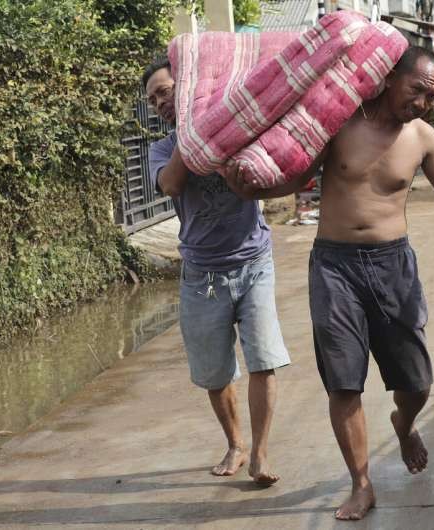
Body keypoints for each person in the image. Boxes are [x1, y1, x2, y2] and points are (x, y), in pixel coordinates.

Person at [227, 46, 434, 521]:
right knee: (343, 382)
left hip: (393, 265)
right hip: (334, 266)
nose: (420, 103)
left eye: (428, 98)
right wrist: (253, 188)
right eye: (415, 91)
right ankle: (362, 483)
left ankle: (404, 422)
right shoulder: (338, 122)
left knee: (416, 382)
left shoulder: (423, 138)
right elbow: (299, 177)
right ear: (390, 78)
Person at [143, 58, 291, 487]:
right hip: (202, 275)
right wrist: (196, 136)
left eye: (165, 91)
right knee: (215, 371)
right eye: (153, 98)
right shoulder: (163, 149)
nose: (159, 102)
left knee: (264, 358)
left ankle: (260, 454)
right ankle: (235, 443)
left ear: (185, 87)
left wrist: (213, 128)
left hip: (253, 262)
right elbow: (170, 184)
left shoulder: (232, 127)